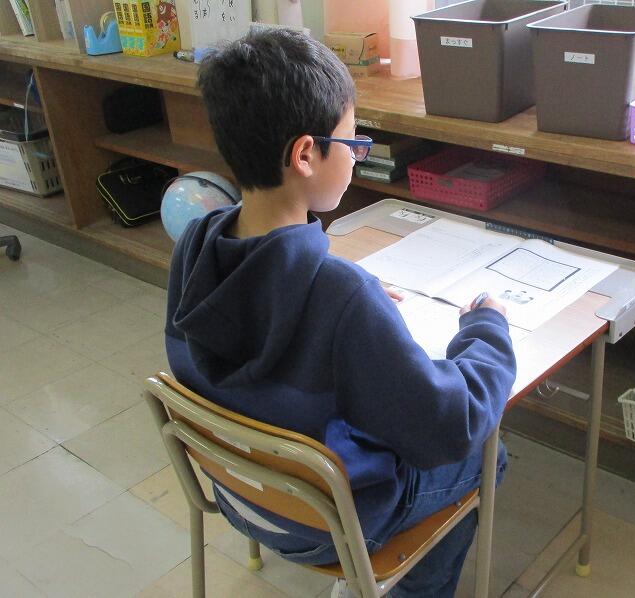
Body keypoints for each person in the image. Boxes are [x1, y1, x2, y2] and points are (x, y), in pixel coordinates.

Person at [164, 28, 516, 597]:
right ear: (306, 154)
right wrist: (487, 329)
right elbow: (452, 426)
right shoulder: (343, 298)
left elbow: (263, 311)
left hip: (241, 492)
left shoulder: (196, 245)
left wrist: (342, 288)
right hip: (333, 523)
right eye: (352, 143)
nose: (356, 156)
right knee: (488, 452)